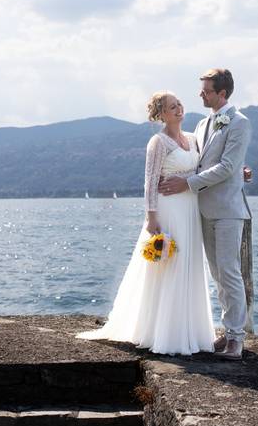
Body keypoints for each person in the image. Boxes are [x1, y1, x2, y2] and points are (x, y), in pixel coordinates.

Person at [76, 91, 215, 355]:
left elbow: (200, 173)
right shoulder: (158, 142)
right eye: (172, 107)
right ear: (161, 114)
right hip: (167, 210)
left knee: (188, 265)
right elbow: (150, 182)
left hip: (189, 210)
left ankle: (190, 328)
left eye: (179, 104)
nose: (178, 109)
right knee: (168, 266)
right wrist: (151, 217)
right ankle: (162, 331)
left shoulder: (194, 140)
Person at [158, 68, 252, 361]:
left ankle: (237, 339)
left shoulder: (239, 123)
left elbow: (226, 166)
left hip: (226, 209)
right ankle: (228, 330)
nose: (200, 94)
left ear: (222, 93)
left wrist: (188, 183)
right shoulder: (201, 126)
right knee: (217, 274)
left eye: (206, 90)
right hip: (201, 209)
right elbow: (201, 162)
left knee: (229, 272)